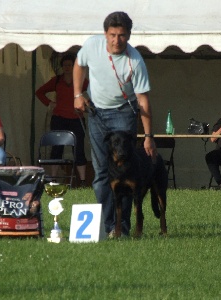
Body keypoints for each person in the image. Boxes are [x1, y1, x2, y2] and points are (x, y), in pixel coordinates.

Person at [73, 11, 157, 237]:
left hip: (123, 114)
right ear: (105, 34)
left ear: (129, 35)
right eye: (112, 35)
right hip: (96, 113)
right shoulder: (92, 45)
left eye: (121, 35)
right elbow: (79, 65)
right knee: (101, 173)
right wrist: (77, 94)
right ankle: (108, 225)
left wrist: (148, 137)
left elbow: (143, 100)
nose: (116, 40)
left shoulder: (135, 61)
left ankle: (123, 228)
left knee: (125, 172)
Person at [35, 54, 89, 187]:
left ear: (74, 66)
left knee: (79, 151)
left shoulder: (82, 80)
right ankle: (54, 180)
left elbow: (93, 94)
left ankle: (82, 181)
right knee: (57, 149)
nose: (67, 68)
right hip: (59, 119)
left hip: (77, 119)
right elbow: (39, 92)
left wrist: (86, 105)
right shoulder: (57, 80)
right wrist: (49, 103)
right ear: (62, 67)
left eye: (70, 65)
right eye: (65, 65)